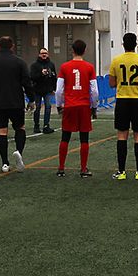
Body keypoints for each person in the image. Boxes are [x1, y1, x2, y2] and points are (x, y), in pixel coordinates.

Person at [0, 35, 30, 173]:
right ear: (12, 46)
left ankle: (4, 163)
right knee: (20, 127)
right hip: (16, 101)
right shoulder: (20, 62)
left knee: (2, 131)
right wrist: (31, 99)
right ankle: (19, 151)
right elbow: (26, 82)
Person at [108, 32, 138, 180]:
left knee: (122, 135)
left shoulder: (116, 60)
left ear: (123, 44)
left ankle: (121, 171)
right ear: (136, 44)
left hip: (122, 100)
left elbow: (112, 83)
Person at [55, 38, 97, 178]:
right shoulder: (89, 67)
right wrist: (94, 106)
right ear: (84, 50)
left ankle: (61, 168)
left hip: (70, 105)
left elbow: (59, 90)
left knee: (65, 137)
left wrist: (59, 105)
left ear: (72, 50)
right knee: (84, 138)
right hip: (84, 105)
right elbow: (94, 91)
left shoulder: (64, 67)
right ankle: (83, 169)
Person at [29, 47, 57, 133]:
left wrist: (54, 88)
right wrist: (41, 74)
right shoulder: (34, 65)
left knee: (48, 107)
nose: (44, 55)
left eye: (45, 53)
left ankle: (46, 125)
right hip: (37, 90)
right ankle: (36, 126)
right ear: (39, 55)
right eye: (42, 53)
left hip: (48, 90)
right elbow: (32, 77)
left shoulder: (51, 65)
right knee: (37, 108)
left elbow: (54, 77)